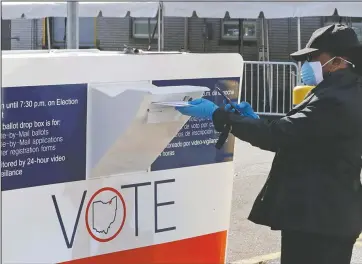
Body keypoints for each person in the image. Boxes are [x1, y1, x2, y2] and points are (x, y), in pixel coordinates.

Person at [176, 24, 362, 264]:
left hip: (319, 219)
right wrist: (251, 120)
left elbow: (280, 135)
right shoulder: (342, 90)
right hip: (326, 215)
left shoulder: (336, 99)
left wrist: (220, 115)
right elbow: (299, 131)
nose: (307, 64)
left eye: (314, 57)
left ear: (337, 61)